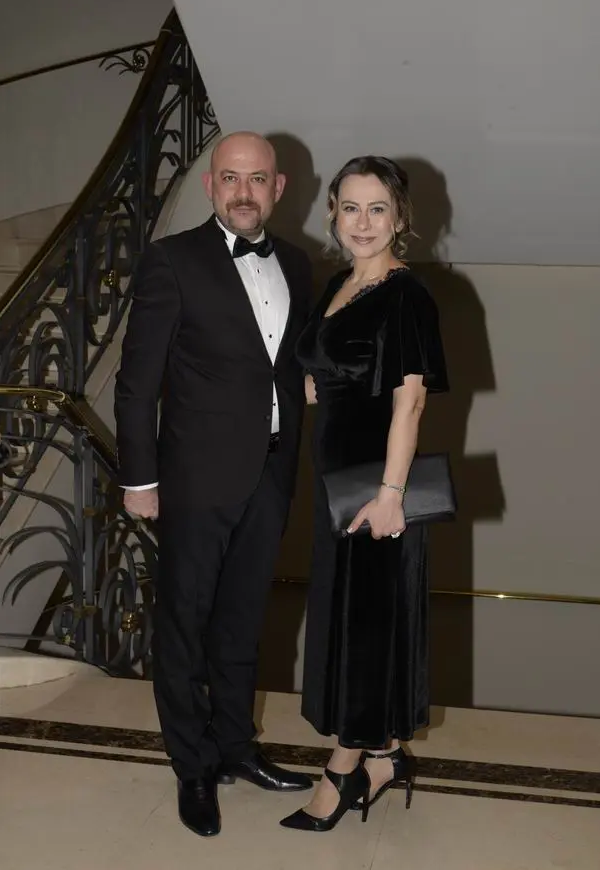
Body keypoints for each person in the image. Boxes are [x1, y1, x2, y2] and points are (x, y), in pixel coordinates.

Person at [114, 132, 313, 838]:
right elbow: (136, 383)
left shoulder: (298, 264)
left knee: (243, 620)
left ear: (278, 188)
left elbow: (291, 366)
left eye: (257, 179)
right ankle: (192, 766)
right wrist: (139, 479)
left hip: (272, 473)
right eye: (230, 177)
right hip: (194, 478)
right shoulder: (172, 260)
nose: (243, 191)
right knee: (184, 624)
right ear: (211, 186)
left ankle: (235, 746)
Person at [281, 156, 449, 832]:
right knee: (351, 617)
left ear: (400, 218)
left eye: (378, 208)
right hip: (335, 483)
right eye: (350, 207)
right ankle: (384, 756)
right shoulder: (339, 285)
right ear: (332, 214)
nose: (363, 222)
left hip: (376, 488)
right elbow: (324, 377)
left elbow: (410, 402)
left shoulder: (407, 295)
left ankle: (343, 769)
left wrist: (390, 494)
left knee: (366, 628)